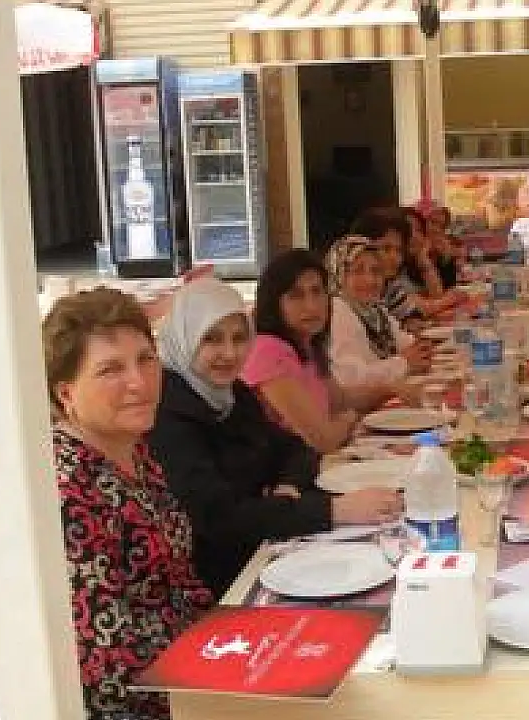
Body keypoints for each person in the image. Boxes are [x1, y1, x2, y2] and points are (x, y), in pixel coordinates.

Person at [148, 278, 403, 593]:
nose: (229, 353)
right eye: (211, 339)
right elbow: (220, 519)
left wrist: (288, 486)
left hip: (266, 548)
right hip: (220, 583)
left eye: (239, 339)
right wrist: (336, 510)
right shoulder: (167, 414)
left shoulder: (233, 394)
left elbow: (294, 449)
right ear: (184, 338)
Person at [43, 288, 213, 720]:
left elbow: (180, 582)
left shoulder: (133, 450)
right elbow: (105, 666)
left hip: (192, 671)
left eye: (145, 359)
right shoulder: (66, 491)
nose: (139, 382)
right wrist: (222, 680)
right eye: (110, 369)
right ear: (65, 393)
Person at [244, 249, 393, 455]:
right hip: (283, 472)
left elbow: (341, 400)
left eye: (317, 291)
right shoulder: (267, 351)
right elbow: (323, 441)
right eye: (296, 295)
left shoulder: (307, 343)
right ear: (274, 303)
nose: (311, 306)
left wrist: (391, 390)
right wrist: (350, 418)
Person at [325, 236, 433, 388]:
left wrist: (421, 350)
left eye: (376, 271)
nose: (369, 280)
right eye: (358, 271)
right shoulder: (337, 312)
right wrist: (403, 363)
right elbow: (350, 379)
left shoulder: (374, 310)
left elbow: (406, 344)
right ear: (338, 274)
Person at [357, 207, 463, 324]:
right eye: (386, 248)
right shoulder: (358, 285)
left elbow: (410, 311)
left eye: (398, 250)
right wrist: (445, 301)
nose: (395, 257)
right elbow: (422, 304)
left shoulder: (390, 284)